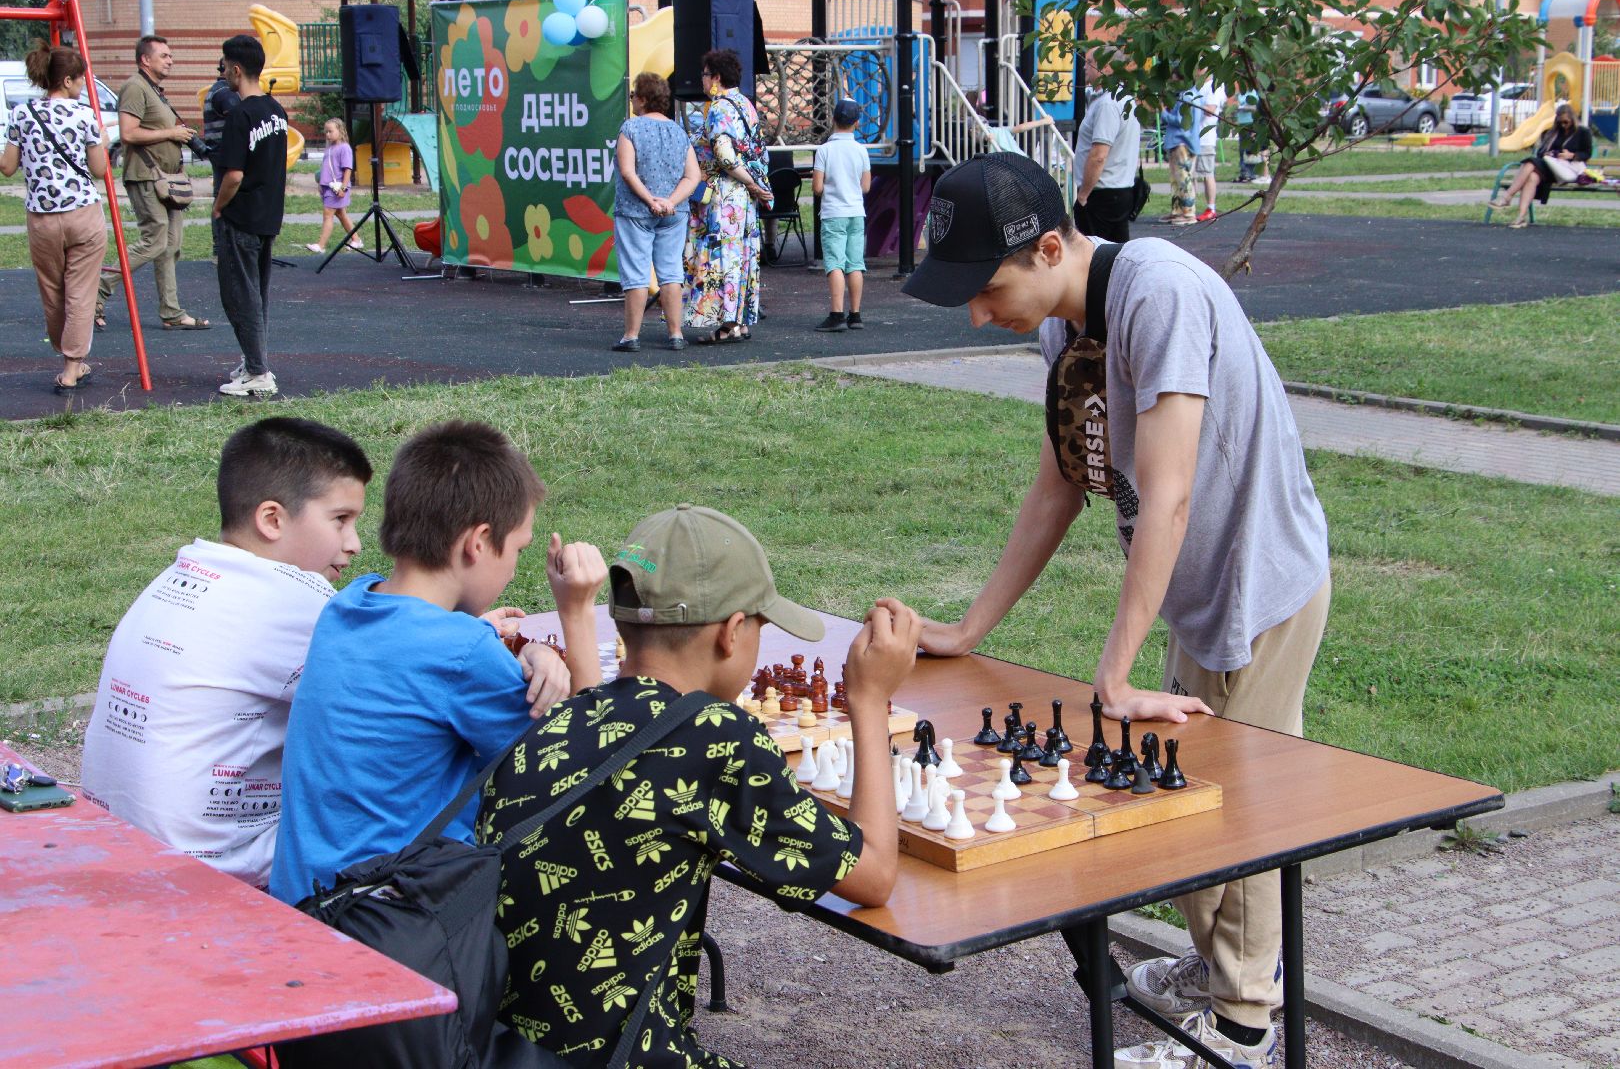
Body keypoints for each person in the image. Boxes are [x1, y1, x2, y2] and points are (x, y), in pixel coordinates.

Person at [902, 151, 1330, 1069]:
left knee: (1238, 809)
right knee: (1178, 793)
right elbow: (1060, 481)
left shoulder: (1158, 294)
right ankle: (1221, 968)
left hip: (1256, 587)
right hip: (1194, 588)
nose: (978, 313)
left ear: (1049, 246)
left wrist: (1116, 672)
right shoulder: (1067, 324)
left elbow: (1168, 494)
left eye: (985, 288)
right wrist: (972, 627)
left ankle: (1244, 1029)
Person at [480, 504, 919, 1066]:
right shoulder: (714, 737)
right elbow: (876, 874)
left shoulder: (567, 718)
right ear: (734, 633)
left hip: (505, 1048)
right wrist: (869, 698)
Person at [268, 420, 602, 905]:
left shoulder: (347, 607)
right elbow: (587, 768)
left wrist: (525, 648)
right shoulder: (460, 652)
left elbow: (422, 668)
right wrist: (577, 614)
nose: (513, 567)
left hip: (302, 901)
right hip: (386, 927)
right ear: (479, 542)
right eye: (517, 550)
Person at [80, 418, 372, 887]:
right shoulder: (297, 601)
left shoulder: (181, 574)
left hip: (116, 840)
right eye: (340, 520)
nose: (354, 544)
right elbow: (403, 695)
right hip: (211, 873)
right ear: (272, 519)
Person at [0, 40, 108, 392]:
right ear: (67, 81)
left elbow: (7, 167)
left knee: (52, 291)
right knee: (81, 293)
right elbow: (98, 169)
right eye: (79, 80)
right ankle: (72, 365)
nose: (81, 86)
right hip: (83, 214)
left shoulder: (21, 114)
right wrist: (101, 141)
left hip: (42, 218)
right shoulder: (84, 115)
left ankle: (69, 357)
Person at [95, 34, 211, 332]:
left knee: (171, 246)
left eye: (170, 55)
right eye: (164, 55)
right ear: (145, 59)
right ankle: (99, 289)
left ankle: (171, 312)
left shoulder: (155, 91)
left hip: (167, 180)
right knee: (154, 241)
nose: (170, 60)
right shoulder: (135, 87)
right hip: (146, 176)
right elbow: (129, 133)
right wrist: (171, 134)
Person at [212, 35, 289, 398]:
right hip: (268, 215)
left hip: (241, 216)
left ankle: (258, 371)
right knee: (257, 295)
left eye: (224, 66)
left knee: (240, 296)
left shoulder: (241, 115)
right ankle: (254, 362)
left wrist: (218, 205)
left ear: (237, 69)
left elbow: (234, 174)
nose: (222, 72)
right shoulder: (277, 110)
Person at [684, 48, 772, 345]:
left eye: (705, 74)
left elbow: (725, 157)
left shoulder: (719, 107)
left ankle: (727, 324)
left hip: (726, 195)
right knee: (743, 255)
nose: (702, 79)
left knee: (724, 256)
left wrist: (752, 184)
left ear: (716, 77)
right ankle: (741, 321)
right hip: (744, 197)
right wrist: (755, 187)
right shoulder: (746, 104)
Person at [613, 71, 700, 352]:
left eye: (633, 95)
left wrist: (650, 200)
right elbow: (692, 176)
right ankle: (675, 334)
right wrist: (669, 202)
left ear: (642, 99)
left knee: (636, 274)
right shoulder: (679, 131)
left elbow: (627, 171)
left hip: (635, 211)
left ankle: (631, 336)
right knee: (671, 272)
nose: (632, 101)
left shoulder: (631, 129)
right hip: (674, 214)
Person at [812, 98, 872, 333]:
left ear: (833, 119)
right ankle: (855, 314)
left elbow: (817, 188)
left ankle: (836, 314)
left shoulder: (824, 150)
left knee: (835, 263)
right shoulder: (861, 151)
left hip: (833, 213)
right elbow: (865, 186)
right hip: (856, 212)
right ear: (856, 123)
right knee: (855, 264)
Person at [1488, 102, 1590, 229]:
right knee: (1532, 177)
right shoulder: (1552, 132)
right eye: (1560, 122)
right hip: (1549, 167)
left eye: (1566, 122)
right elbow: (1541, 152)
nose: (1563, 125)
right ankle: (1520, 217)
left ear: (1573, 120)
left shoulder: (1583, 132)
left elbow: (1587, 153)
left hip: (1567, 170)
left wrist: (1571, 155)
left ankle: (1507, 197)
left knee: (1530, 162)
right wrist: (1550, 153)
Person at [1072, 76, 1142, 243]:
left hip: (1103, 193)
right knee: (1116, 254)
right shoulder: (1125, 99)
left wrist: (1083, 196)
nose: (1084, 68)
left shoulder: (1108, 104)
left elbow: (1099, 155)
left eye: (1089, 62)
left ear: (1106, 68)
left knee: (1096, 256)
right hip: (1120, 188)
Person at [201, 57, 240, 256]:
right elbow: (240, 116)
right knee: (224, 198)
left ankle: (221, 248)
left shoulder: (217, 89)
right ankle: (222, 248)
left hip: (219, 153)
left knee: (221, 196)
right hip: (225, 153)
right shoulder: (224, 92)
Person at [309, 117, 359, 255]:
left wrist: (343, 187)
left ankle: (321, 245)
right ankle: (356, 239)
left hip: (337, 188)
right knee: (341, 214)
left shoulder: (344, 148)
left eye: (330, 131)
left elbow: (348, 169)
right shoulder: (330, 148)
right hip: (327, 186)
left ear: (340, 130)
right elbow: (326, 167)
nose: (327, 134)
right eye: (326, 132)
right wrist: (321, 183)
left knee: (328, 214)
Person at [1158, 82, 1198, 226]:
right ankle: (1178, 210)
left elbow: (1181, 121)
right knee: (1176, 179)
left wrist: (1163, 113)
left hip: (1182, 142)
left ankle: (1188, 212)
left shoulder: (1187, 96)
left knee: (1183, 179)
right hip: (1178, 141)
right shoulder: (1187, 95)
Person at [1194, 76, 1226, 221]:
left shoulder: (1214, 86)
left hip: (1205, 138)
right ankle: (1189, 207)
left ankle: (1211, 208)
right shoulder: (1199, 86)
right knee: (1192, 175)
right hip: (1194, 138)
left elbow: (1211, 110)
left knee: (1207, 173)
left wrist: (1192, 103)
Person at [1232, 89, 1270, 186]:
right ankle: (1244, 172)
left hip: (1252, 122)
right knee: (1242, 150)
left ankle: (1254, 173)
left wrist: (1244, 108)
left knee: (1253, 149)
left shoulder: (1255, 92)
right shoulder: (1241, 93)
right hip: (1242, 123)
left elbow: (1257, 108)